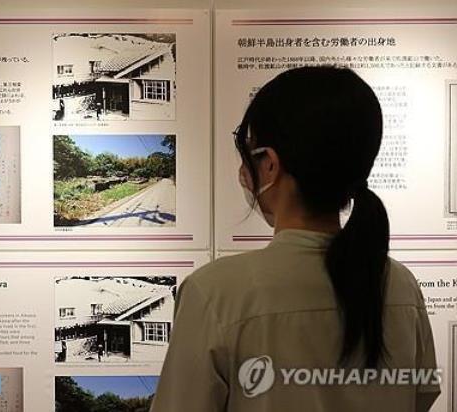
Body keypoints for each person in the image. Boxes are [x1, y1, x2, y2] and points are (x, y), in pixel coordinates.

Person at [151, 66, 440, 411]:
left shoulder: (215, 292)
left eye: (249, 155)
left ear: (270, 165)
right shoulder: (401, 286)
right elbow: (420, 398)